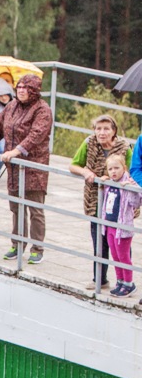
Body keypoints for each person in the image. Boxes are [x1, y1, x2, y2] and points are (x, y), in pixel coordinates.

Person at [0, 74, 53, 265]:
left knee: (35, 209)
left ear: (34, 91)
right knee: (16, 208)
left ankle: (37, 248)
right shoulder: (11, 106)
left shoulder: (43, 110)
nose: (21, 90)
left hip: (34, 167)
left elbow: (36, 135)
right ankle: (17, 244)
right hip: (14, 168)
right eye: (19, 87)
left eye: (26, 88)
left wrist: (17, 150)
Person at [69, 115, 133, 291]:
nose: (102, 132)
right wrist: (85, 172)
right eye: (98, 128)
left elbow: (132, 171)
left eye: (106, 129)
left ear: (114, 131)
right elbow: (73, 165)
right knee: (99, 239)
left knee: (121, 241)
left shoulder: (124, 147)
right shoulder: (89, 143)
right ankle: (100, 278)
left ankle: (126, 281)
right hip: (95, 199)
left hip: (120, 203)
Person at [98, 154, 142, 297]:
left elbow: (136, 202)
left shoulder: (128, 183)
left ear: (124, 168)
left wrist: (130, 187)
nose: (113, 172)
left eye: (117, 168)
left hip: (122, 228)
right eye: (110, 169)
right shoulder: (111, 183)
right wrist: (104, 181)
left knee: (123, 256)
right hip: (110, 225)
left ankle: (129, 283)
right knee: (115, 255)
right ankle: (120, 281)